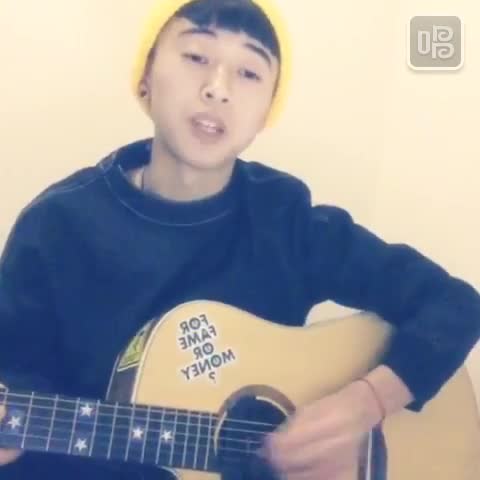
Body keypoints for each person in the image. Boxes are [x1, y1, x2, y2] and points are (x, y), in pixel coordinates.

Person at [1, 0, 479, 479]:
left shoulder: (284, 220)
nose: (218, 88)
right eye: (196, 57)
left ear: (268, 109)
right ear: (145, 78)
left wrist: (364, 405)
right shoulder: (57, 227)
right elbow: (16, 387)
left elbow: (455, 306)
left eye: (249, 73)